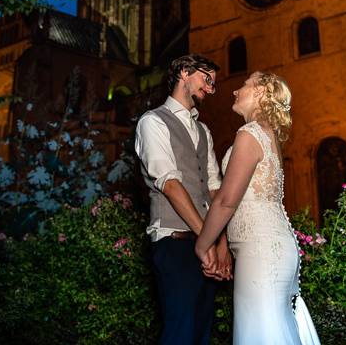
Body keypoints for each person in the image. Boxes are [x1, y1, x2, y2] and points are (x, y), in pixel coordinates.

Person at [195, 72, 320, 345]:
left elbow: (227, 200)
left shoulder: (250, 134)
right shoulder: (267, 135)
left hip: (262, 253)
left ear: (261, 92)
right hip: (270, 249)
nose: (235, 91)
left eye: (245, 85)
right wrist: (226, 247)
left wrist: (203, 245)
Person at [135, 54, 232, 345]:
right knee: (180, 332)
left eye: (213, 85)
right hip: (174, 242)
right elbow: (170, 184)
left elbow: (216, 191)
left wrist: (222, 245)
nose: (210, 89)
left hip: (206, 245)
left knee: (201, 334)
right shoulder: (152, 121)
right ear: (185, 73)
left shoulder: (204, 131)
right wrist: (208, 240)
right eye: (207, 79)